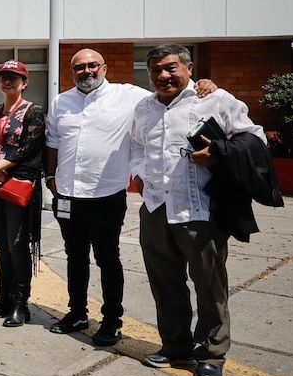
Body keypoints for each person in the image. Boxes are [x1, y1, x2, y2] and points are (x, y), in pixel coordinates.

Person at [45, 48, 218, 345]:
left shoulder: (129, 96)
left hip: (106, 195)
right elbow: (53, 142)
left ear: (105, 67)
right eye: (79, 68)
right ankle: (77, 312)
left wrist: (203, 85)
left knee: (107, 259)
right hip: (68, 194)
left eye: (92, 66)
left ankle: (112, 319)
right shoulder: (62, 101)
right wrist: (50, 178)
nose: (86, 72)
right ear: (71, 72)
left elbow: (171, 91)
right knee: (74, 257)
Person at [130, 44, 265, 376]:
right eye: (156, 70)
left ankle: (211, 354)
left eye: (171, 68)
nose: (163, 76)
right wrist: (140, 173)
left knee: (209, 285)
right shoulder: (144, 107)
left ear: (189, 69)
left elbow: (254, 138)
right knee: (165, 283)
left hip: (199, 209)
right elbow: (136, 145)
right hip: (156, 207)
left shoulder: (215, 101)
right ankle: (176, 345)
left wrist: (218, 154)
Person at [0, 60, 46, 327]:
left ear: (24, 82)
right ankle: (3, 298)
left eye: (14, 77)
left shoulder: (33, 112)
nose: (8, 81)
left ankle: (20, 303)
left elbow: (28, 148)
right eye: (3, 76)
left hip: (18, 187)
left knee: (17, 245)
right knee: (1, 244)